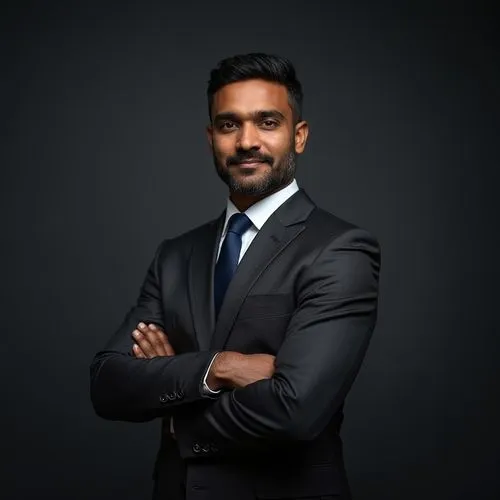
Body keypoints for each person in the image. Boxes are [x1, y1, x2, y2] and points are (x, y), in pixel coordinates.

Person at [90, 52, 381, 500]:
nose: (247, 141)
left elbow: (296, 410)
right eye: (229, 125)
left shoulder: (339, 250)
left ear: (298, 136)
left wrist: (173, 408)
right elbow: (108, 384)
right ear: (211, 137)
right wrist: (219, 368)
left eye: (267, 122)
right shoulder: (176, 255)